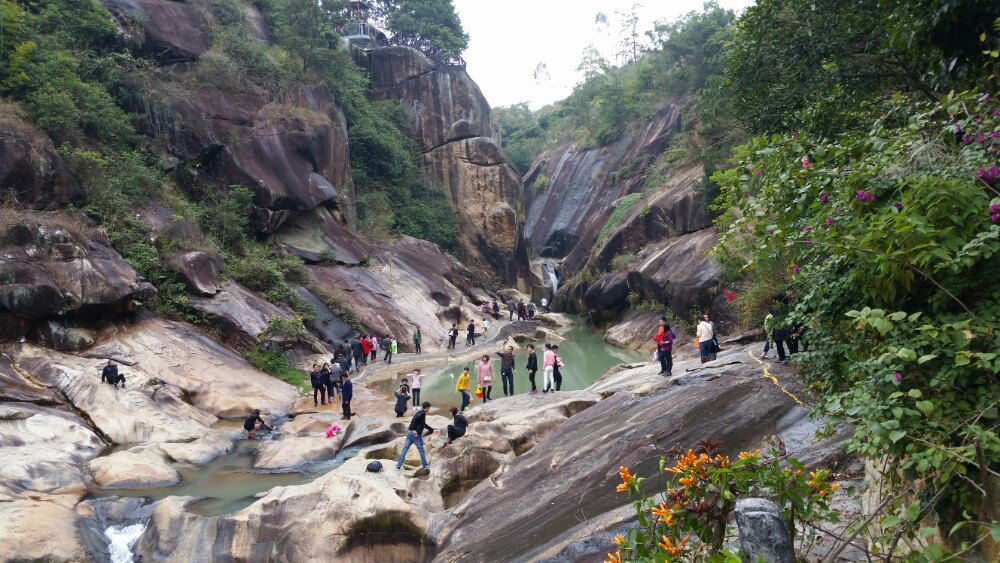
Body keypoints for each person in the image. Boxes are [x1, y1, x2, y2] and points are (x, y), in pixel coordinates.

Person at [395, 402, 433, 471]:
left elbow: (423, 424)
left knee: (405, 449)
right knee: (421, 450)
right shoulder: (422, 414)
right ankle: (425, 465)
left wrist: (432, 430)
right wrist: (414, 429)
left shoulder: (419, 412)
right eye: (429, 408)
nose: (429, 409)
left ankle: (398, 466)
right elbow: (414, 420)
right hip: (415, 435)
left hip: (409, 433)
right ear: (427, 408)